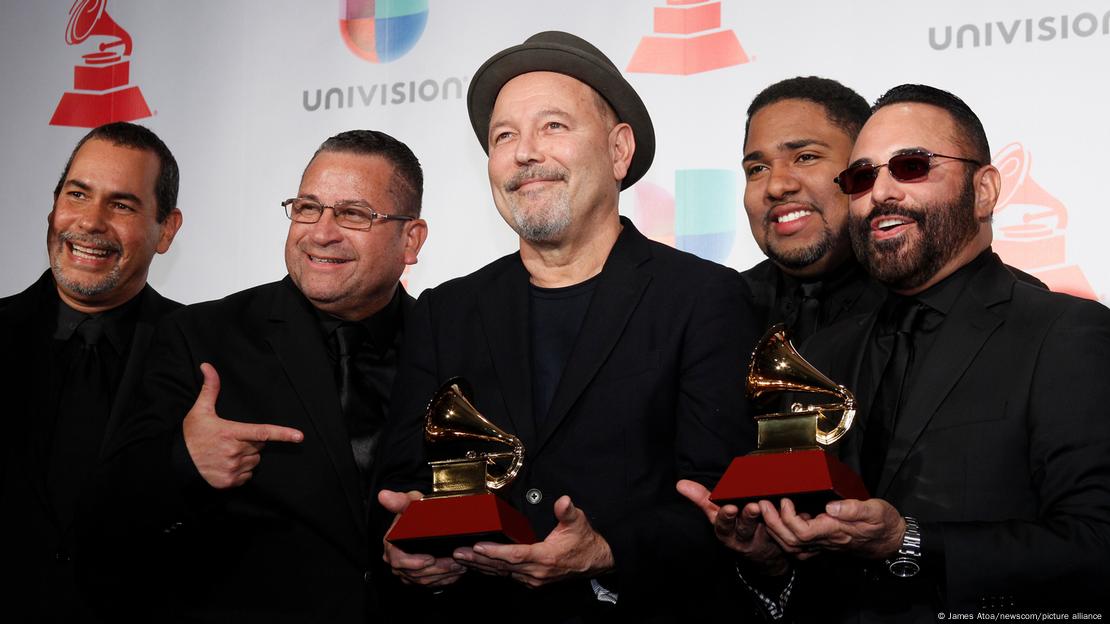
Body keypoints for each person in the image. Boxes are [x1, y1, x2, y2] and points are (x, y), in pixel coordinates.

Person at [375, 31, 757, 622]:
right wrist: (410, 544)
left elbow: (721, 498)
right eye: (505, 136)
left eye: (553, 126)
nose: (525, 152)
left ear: (618, 151)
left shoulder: (704, 297)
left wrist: (607, 552)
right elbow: (401, 476)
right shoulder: (444, 311)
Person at [757, 85, 1110, 619]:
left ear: (985, 189)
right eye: (861, 177)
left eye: (911, 166)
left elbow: (1096, 543)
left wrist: (909, 541)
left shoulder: (1065, 335)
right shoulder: (821, 353)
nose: (881, 194)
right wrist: (769, 556)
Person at [86, 130, 428, 622]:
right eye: (308, 207)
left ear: (410, 239)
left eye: (353, 214)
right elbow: (104, 512)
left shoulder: (446, 342)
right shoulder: (199, 336)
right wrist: (184, 460)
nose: (321, 232)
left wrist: (446, 556)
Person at [0, 121, 183, 622]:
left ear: (166, 229)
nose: (90, 222)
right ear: (54, 207)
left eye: (122, 205)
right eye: (78, 195)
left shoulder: (204, 353)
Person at [735, 76, 885, 343]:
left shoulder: (923, 304)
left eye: (805, 157)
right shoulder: (723, 306)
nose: (777, 186)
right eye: (757, 169)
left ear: (862, 170)